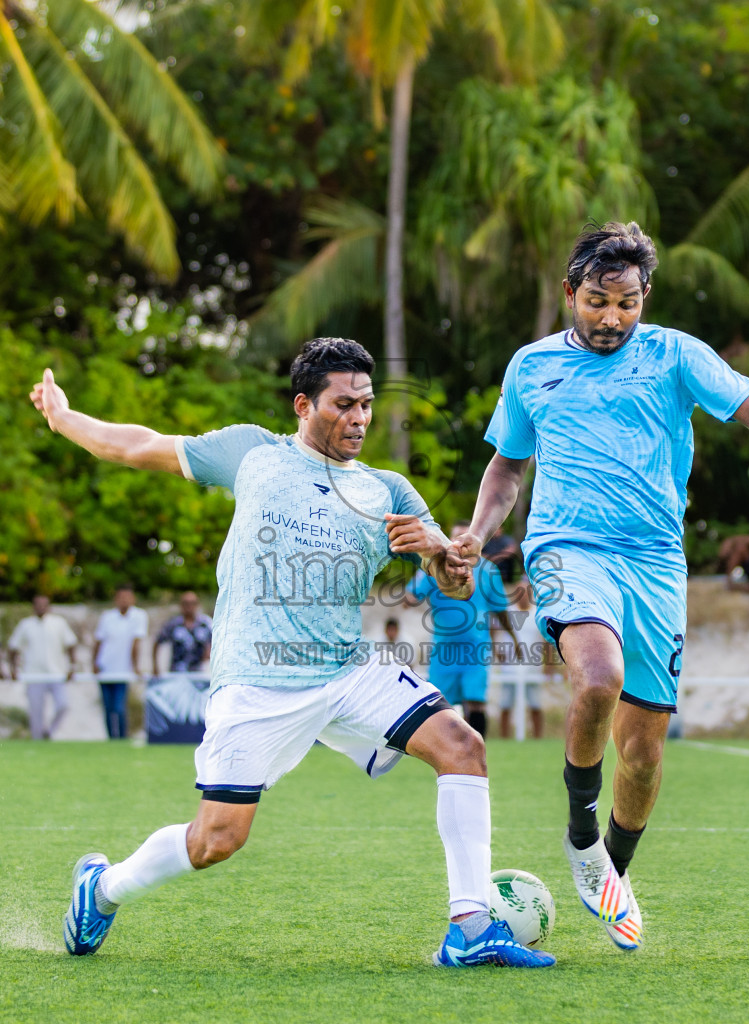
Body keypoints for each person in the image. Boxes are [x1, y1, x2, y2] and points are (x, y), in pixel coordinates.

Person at [31, 337, 553, 969]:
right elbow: (137, 444)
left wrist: (439, 555)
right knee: (216, 840)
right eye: (343, 404)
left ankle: (468, 928)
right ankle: (102, 888)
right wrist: (63, 418)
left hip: (345, 669)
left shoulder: (390, 491)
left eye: (366, 404)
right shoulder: (253, 453)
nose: (359, 417)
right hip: (257, 680)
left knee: (463, 746)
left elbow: (457, 583)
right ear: (304, 405)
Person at [449, 222, 749, 952]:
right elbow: (507, 468)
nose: (611, 317)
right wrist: (479, 534)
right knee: (597, 677)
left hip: (653, 561)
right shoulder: (531, 366)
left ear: (645, 297)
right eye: (597, 300)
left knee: (641, 755)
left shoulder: (674, 353)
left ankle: (613, 867)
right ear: (569, 293)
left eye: (626, 303)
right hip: (566, 547)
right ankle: (581, 836)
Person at [403, 522, 518, 738]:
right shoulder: (435, 569)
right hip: (443, 649)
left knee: (475, 702)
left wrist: (513, 639)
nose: (457, 546)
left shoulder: (488, 570)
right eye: (453, 540)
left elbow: (500, 611)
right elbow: (410, 597)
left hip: (476, 648)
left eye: (462, 541)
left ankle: (476, 752)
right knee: (440, 704)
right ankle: (447, 752)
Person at [8, 595, 77, 740]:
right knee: (36, 713)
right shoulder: (25, 624)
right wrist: (12, 668)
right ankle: (38, 742)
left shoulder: (59, 623)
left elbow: (71, 644)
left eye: (43, 605)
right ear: (33, 607)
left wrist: (72, 666)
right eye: (38, 605)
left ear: (49, 606)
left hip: (56, 673)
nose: (41, 607)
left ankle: (50, 731)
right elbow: (14, 647)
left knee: (63, 705)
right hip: (34, 675)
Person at [94, 584, 149, 739]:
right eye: (121, 597)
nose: (124, 601)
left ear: (133, 599)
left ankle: (122, 737)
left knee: (119, 708)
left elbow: (135, 643)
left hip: (123, 669)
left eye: (127, 597)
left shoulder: (139, 616)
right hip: (105, 667)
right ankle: (111, 738)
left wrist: (135, 666)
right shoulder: (107, 617)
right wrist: (95, 663)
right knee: (108, 707)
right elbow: (99, 641)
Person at [495, 583, 547, 740]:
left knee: (536, 705)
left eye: (526, 593)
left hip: (532, 667)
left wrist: (548, 664)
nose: (523, 596)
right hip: (510, 667)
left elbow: (546, 640)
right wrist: (497, 651)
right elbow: (495, 629)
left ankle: (538, 739)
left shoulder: (537, 613)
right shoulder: (508, 612)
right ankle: (504, 738)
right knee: (505, 705)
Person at [152, 592, 213, 675]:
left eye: (192, 603)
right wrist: (155, 667)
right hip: (177, 672)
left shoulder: (205, 624)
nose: (189, 606)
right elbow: (158, 642)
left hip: (198, 673)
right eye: (186, 603)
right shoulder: (173, 624)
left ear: (197, 605)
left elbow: (214, 645)